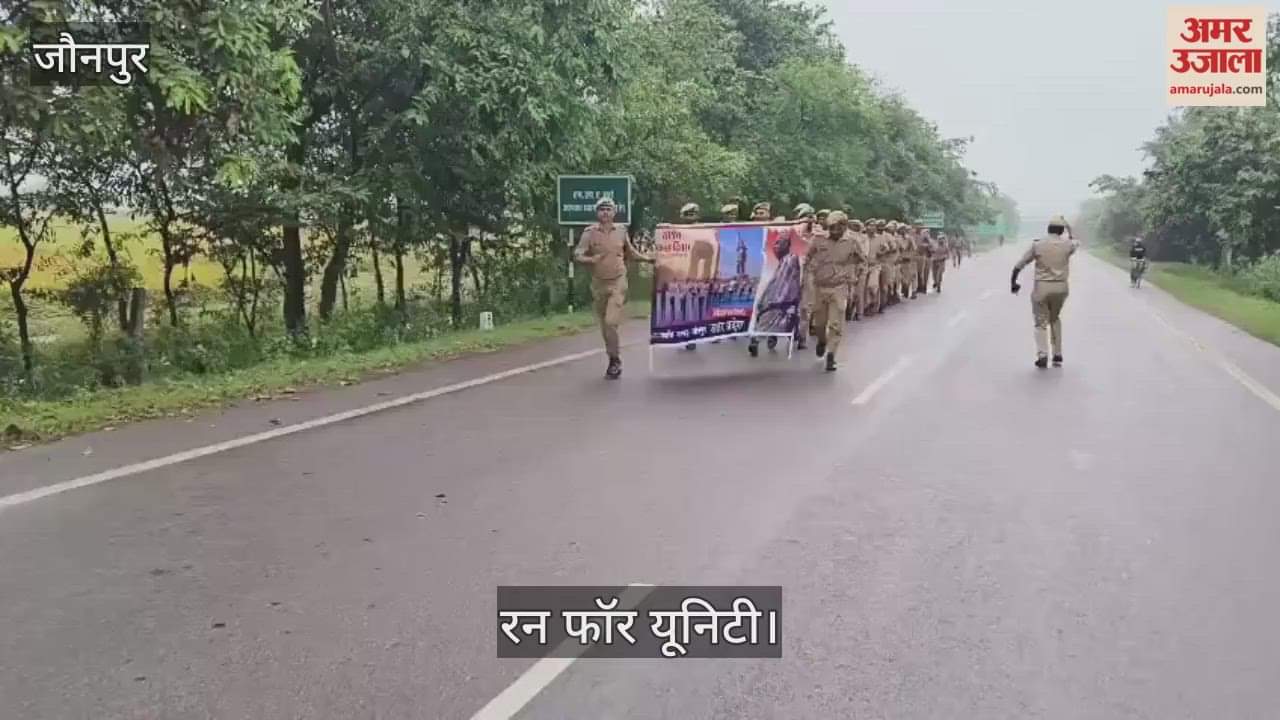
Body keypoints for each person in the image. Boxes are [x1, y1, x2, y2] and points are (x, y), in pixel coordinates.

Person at [574, 196, 654, 379]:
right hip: (599, 283)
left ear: (614, 212)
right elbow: (578, 254)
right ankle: (613, 357)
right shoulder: (590, 233)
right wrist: (589, 259)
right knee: (605, 327)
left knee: (611, 321)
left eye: (608, 209)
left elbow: (630, 253)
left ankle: (615, 361)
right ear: (597, 213)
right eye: (602, 209)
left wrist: (649, 259)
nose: (605, 212)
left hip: (618, 281)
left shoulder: (620, 231)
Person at [1011, 214, 1078, 369]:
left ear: (1048, 229)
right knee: (1054, 318)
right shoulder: (1067, 245)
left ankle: (1042, 354)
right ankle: (1057, 353)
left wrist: (1013, 282)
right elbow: (1074, 239)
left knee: (1040, 322)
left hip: (1042, 287)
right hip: (1061, 288)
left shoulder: (1038, 245)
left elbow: (1020, 264)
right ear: (1062, 231)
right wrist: (1068, 225)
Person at [806, 211, 864, 372]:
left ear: (844, 226)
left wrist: (855, 276)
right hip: (820, 286)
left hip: (839, 287)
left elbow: (861, 261)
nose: (834, 230)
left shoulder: (852, 242)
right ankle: (822, 341)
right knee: (819, 323)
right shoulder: (818, 240)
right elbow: (807, 258)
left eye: (838, 227)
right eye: (832, 227)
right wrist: (809, 276)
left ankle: (831, 354)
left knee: (836, 323)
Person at [793, 203, 819, 350]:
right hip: (791, 272)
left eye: (810, 216)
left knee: (805, 307)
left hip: (810, 273)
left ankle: (802, 336)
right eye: (804, 217)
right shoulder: (790, 233)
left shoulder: (820, 235)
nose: (808, 220)